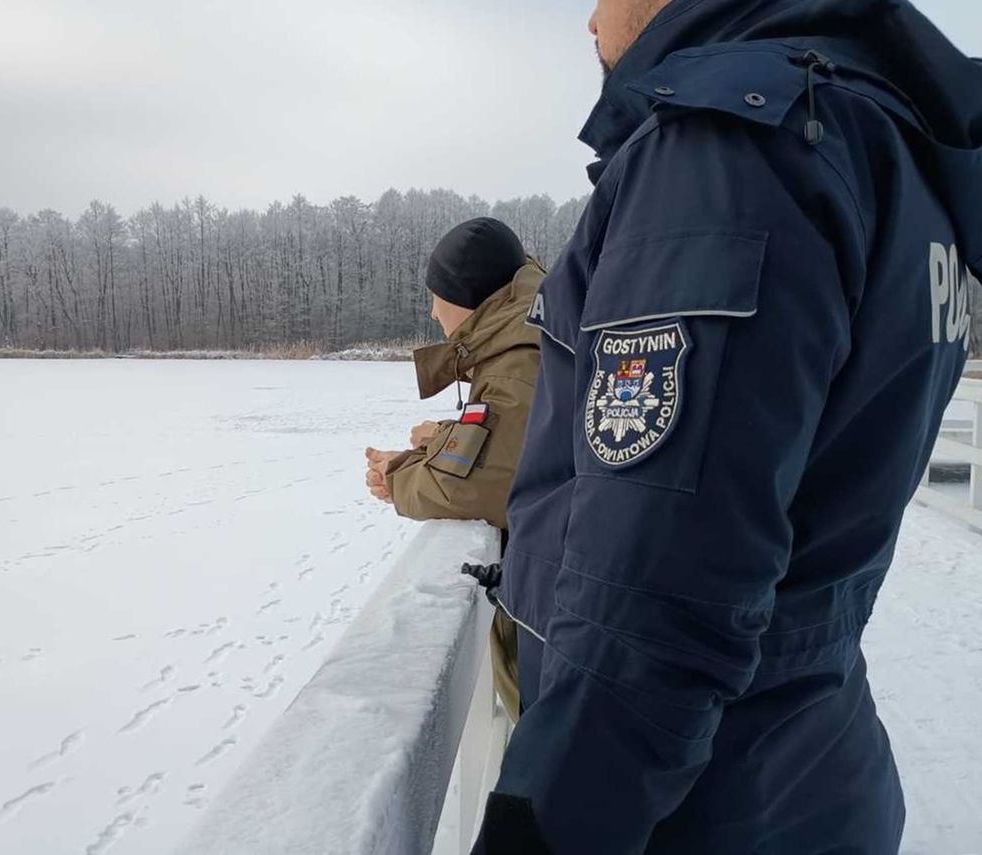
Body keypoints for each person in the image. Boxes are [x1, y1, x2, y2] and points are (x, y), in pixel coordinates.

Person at [473, 1, 981, 853]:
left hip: (701, 803)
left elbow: (651, 602)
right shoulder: (892, 147)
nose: (589, 22)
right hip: (812, 771)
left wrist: (539, 828)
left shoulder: (729, 148)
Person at [365, 217, 543, 720]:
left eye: (437, 295)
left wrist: (396, 478)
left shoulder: (516, 362)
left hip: (556, 619)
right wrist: (438, 439)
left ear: (467, 300)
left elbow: (479, 484)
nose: (432, 308)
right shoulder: (525, 333)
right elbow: (509, 442)